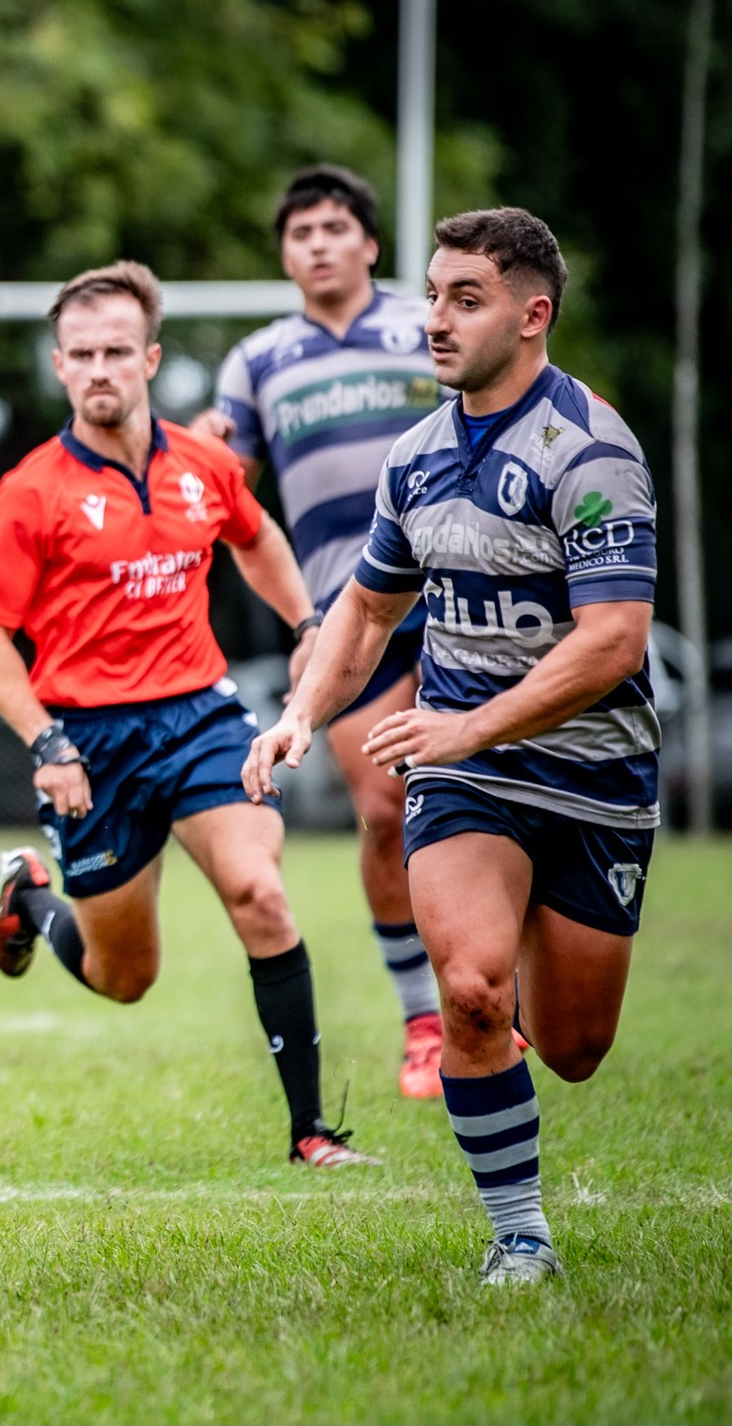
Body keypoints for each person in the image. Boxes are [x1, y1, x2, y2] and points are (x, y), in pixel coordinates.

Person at [246, 208, 658, 1285]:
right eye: (429, 295)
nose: (431, 319)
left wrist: (467, 720)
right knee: (469, 987)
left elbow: (612, 641)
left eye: (461, 299)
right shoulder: (417, 456)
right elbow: (365, 613)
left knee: (570, 1047)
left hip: (593, 773)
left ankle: (520, 942)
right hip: (461, 769)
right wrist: (300, 712)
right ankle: (518, 1237)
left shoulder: (593, 450)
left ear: (531, 315)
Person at [0, 260, 377, 1171]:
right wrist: (47, 741)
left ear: (150, 358)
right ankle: (31, 899)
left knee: (260, 893)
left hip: (199, 717)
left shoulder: (204, 464)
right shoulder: (29, 493)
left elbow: (258, 536)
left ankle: (312, 1131)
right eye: (81, 354)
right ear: (60, 368)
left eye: (117, 350)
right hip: (90, 742)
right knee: (125, 978)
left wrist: (307, 621)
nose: (99, 367)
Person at [193, 165, 450, 1099]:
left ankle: (490, 995)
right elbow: (224, 487)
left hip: (461, 595)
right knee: (384, 808)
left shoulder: (426, 327)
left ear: (370, 244)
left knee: (488, 790)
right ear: (286, 254)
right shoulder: (259, 359)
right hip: (351, 611)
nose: (317, 243)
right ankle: (425, 1021)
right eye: (299, 233)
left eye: (335, 227)